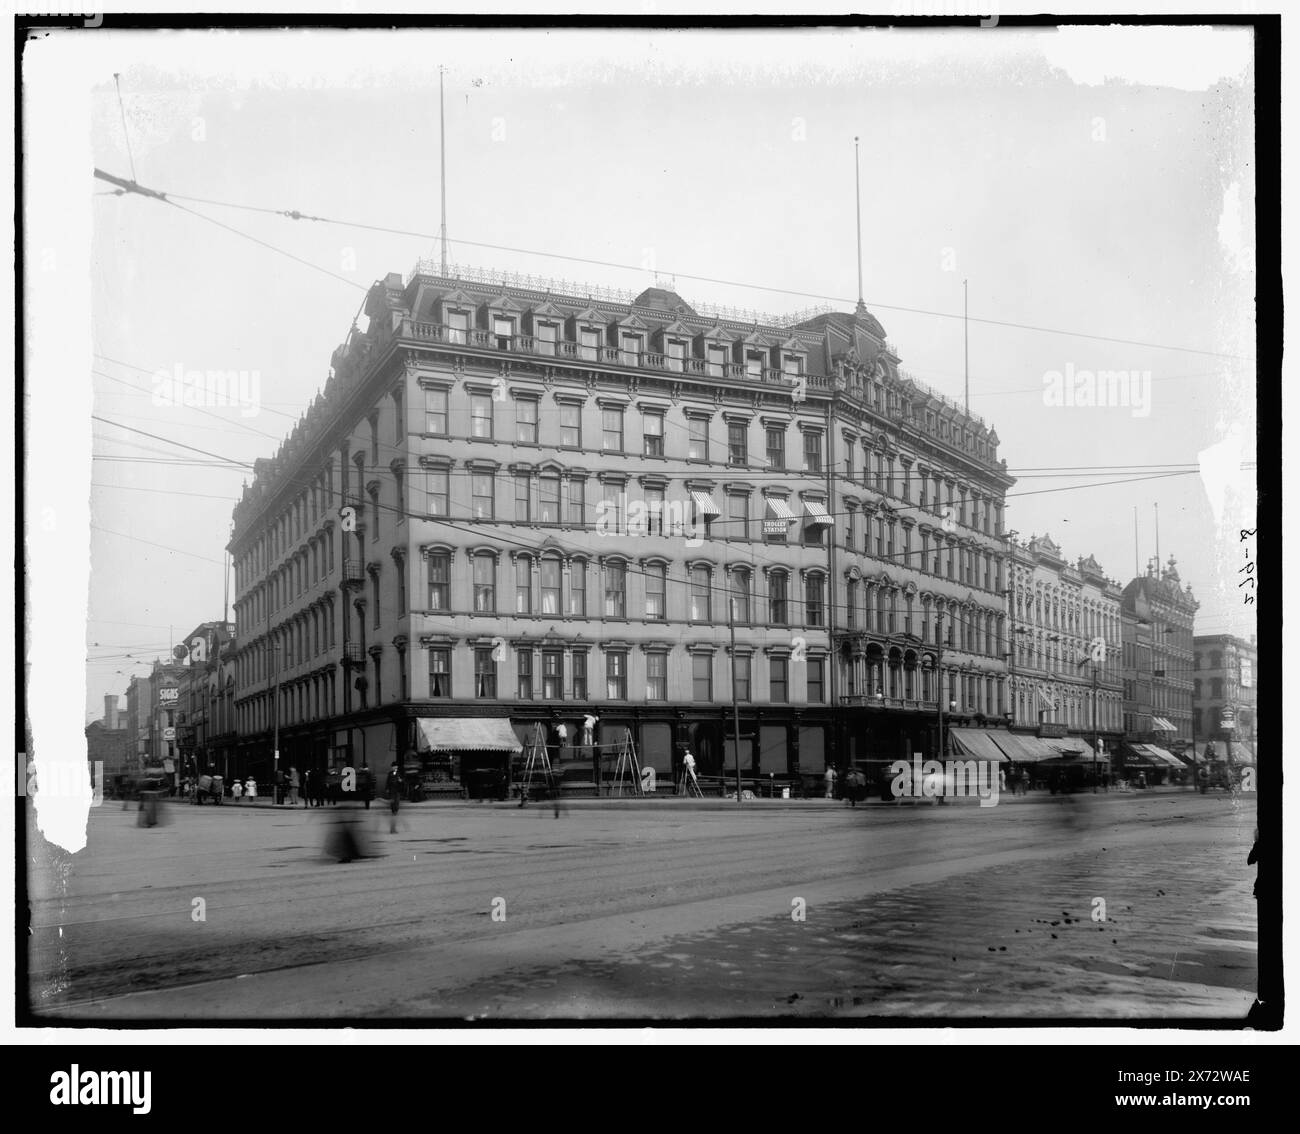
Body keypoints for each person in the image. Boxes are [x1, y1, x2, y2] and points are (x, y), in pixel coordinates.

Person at [385, 763, 402, 833]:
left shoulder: (399, 773)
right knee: (393, 808)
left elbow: (402, 782)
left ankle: (393, 828)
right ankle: (392, 828)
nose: (395, 768)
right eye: (394, 767)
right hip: (392, 792)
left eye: (396, 767)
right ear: (392, 767)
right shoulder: (390, 774)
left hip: (397, 792)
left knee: (396, 808)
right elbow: (387, 782)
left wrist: (401, 781)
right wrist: (387, 789)